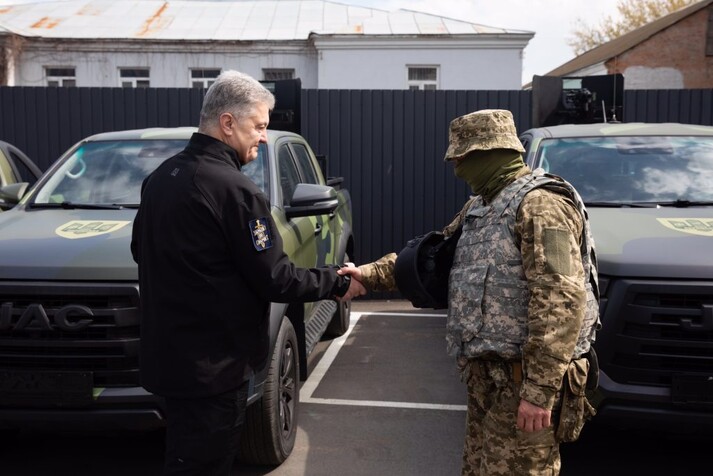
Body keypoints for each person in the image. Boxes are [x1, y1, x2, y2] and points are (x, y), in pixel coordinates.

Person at [339, 109, 600, 475]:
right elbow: (432, 258)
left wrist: (539, 391)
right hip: (487, 382)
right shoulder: (482, 205)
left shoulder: (542, 206)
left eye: (461, 157)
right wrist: (366, 275)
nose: (456, 168)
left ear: (490, 152)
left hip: (523, 385)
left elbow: (560, 300)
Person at [130, 70, 365, 475]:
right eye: (258, 126)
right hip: (214, 370)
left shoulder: (161, 178)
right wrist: (338, 282)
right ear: (227, 123)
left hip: (170, 362)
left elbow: (140, 250)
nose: (263, 137)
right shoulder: (236, 191)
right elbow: (276, 278)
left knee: (183, 457)